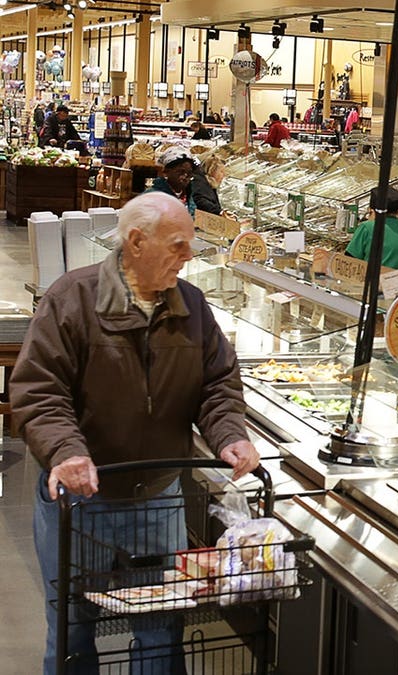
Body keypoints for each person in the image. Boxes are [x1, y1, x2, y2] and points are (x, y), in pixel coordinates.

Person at [11, 191, 260, 674]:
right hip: (83, 501)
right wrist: (66, 451)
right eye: (178, 246)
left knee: (162, 632)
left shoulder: (191, 305)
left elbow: (218, 381)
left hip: (158, 499)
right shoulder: (73, 299)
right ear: (136, 242)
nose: (188, 258)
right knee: (72, 629)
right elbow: (40, 391)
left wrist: (229, 432)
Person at [345, 186, 398, 293]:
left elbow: (348, 263)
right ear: (397, 213)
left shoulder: (368, 227)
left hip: (380, 295)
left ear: (372, 211)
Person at [147, 146, 199, 217]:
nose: (185, 177)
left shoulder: (188, 196)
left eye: (189, 173)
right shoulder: (152, 197)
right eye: (180, 172)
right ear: (166, 172)